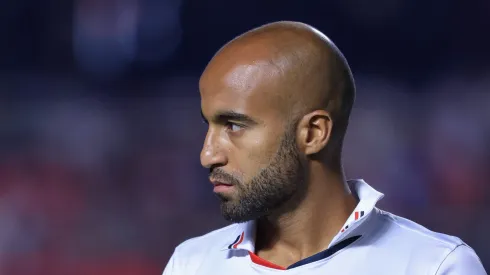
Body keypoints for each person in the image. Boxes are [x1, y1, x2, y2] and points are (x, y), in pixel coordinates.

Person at [162, 21, 487, 274]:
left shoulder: (435, 266)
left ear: (314, 133)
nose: (208, 155)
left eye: (234, 125)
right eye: (210, 126)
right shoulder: (191, 264)